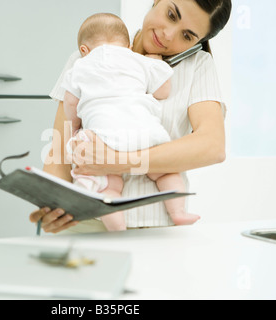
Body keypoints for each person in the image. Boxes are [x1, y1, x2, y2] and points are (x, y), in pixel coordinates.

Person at [30, 0, 231, 234]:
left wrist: (117, 160)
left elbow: (212, 146)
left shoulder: (198, 66)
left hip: (158, 233)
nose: (168, 34)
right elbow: (60, 150)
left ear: (197, 43)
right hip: (86, 224)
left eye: (187, 36)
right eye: (171, 14)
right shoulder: (87, 57)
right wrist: (52, 207)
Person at [62, 13, 200, 231]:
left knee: (109, 188)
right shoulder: (138, 59)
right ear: (127, 46)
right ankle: (178, 212)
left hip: (103, 138)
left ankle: (117, 228)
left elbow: (70, 104)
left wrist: (75, 126)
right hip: (144, 131)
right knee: (166, 173)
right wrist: (155, 63)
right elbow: (163, 91)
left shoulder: (79, 66)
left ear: (84, 50)